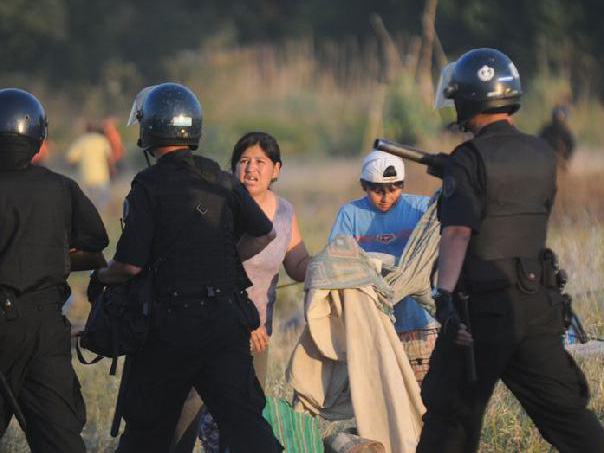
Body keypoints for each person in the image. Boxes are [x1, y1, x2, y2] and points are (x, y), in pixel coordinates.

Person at [418, 48, 604, 452]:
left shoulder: (468, 159)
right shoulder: (541, 153)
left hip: (478, 309)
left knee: (450, 418)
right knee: (566, 415)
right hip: (537, 304)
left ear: (468, 100)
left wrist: (444, 296)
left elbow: (458, 234)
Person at [88, 83, 282, 453]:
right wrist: (223, 262)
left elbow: (128, 266)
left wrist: (100, 275)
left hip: (169, 328)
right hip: (225, 321)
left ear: (150, 130)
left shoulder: (148, 183)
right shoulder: (221, 178)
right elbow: (265, 231)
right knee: (246, 426)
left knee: (147, 431)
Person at [172, 131, 312, 453]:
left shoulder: (285, 212)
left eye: (260, 162)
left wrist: (331, 264)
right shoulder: (217, 206)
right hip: (210, 327)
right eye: (243, 161)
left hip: (257, 334)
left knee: (245, 418)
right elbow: (211, 268)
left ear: (276, 169)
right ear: (232, 168)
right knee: (187, 413)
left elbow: (297, 263)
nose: (251, 169)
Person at [0, 88, 109, 452]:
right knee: (59, 437)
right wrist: (54, 259)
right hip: (47, 323)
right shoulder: (60, 187)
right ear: (38, 137)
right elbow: (96, 247)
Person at [328, 149, 436, 381]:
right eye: (377, 191)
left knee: (425, 395)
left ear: (402, 185)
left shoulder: (422, 209)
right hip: (373, 321)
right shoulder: (350, 215)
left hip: (419, 320)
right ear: (363, 186)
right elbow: (336, 260)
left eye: (393, 189)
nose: (386, 197)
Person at [66, 121, 112, 209]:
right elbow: (109, 157)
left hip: (86, 176)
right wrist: (112, 168)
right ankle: (102, 216)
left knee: (88, 202)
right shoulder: (102, 140)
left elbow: (71, 159)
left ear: (86, 130)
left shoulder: (80, 141)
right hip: (101, 175)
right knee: (102, 200)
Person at [539, 104, 575, 170]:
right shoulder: (546, 130)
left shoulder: (565, 132)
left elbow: (570, 147)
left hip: (561, 159)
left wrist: (565, 158)